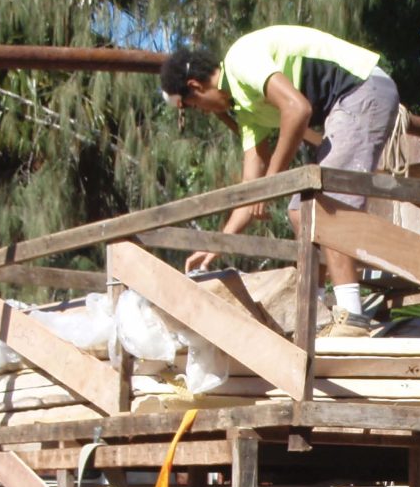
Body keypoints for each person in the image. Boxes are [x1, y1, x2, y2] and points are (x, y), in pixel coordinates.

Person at [159, 25, 401, 337]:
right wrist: (217, 244)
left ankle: (352, 316)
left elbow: (297, 109)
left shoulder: (240, 60)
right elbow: (252, 191)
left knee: (329, 207)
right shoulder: (246, 112)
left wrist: (272, 181)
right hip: (343, 105)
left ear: (195, 86)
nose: (202, 113)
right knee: (300, 210)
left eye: (192, 107)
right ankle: (317, 312)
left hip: (363, 90)